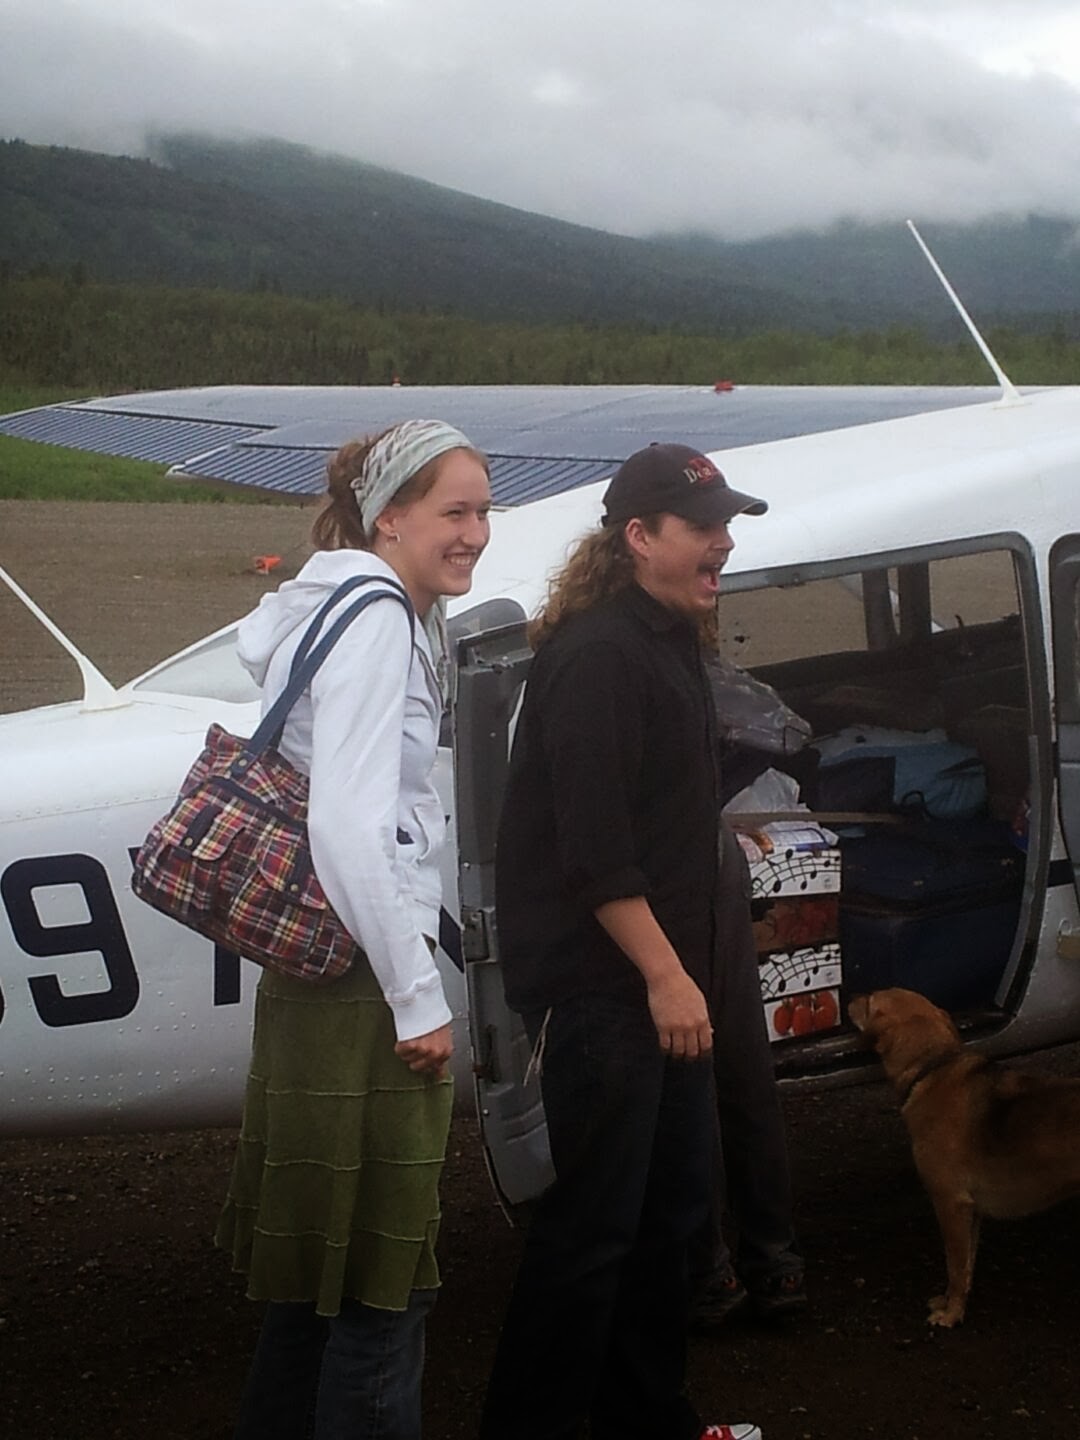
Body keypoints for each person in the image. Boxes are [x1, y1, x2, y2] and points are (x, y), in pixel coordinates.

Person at [478, 443, 768, 1440]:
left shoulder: (665, 638)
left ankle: (647, 1414)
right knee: (592, 1233)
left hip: (659, 987)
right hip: (612, 994)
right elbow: (593, 851)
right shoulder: (600, 655)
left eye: (727, 522)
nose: (723, 542)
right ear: (639, 537)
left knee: (666, 1221)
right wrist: (665, 976)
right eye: (703, 527)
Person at [214, 419, 491, 1440]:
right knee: (385, 1282)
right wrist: (419, 997)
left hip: (319, 977)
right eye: (455, 511)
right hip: (364, 986)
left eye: (484, 508)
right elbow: (347, 822)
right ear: (391, 516)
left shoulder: (341, 599)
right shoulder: (379, 621)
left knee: (317, 1277)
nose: (477, 531)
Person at [689, 816, 806, 1327]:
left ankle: (711, 1271)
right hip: (707, 846)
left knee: (691, 1072)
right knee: (741, 1062)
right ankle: (774, 1259)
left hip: (665, 862)